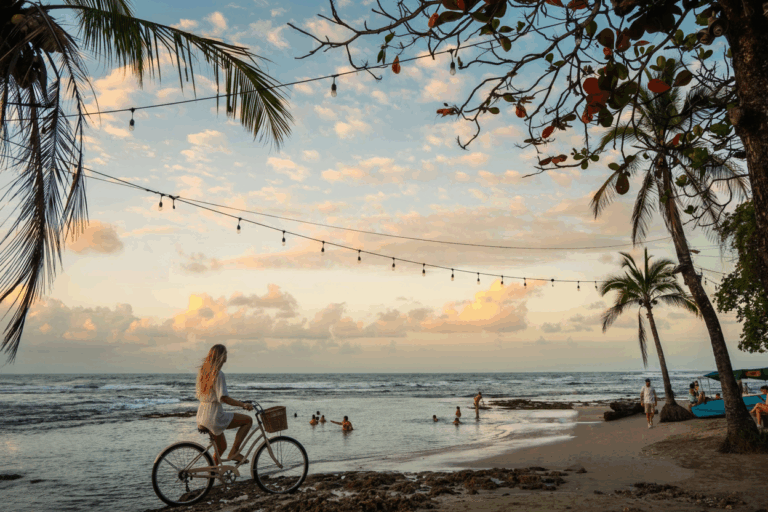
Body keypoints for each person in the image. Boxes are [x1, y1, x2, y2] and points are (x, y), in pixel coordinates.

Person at [196, 344, 254, 465]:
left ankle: (212, 472)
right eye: (225, 354)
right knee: (248, 420)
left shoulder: (203, 372)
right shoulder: (218, 373)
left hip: (202, 414)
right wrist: (243, 405)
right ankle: (234, 452)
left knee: (221, 447)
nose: (226, 357)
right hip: (214, 415)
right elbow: (224, 398)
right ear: (222, 356)